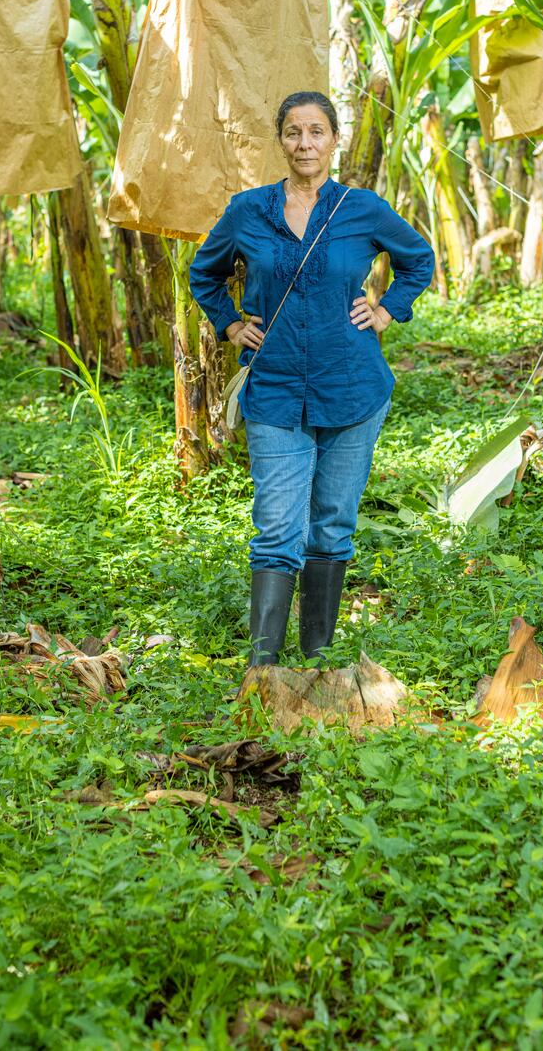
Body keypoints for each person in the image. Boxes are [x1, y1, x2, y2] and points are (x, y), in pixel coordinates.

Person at [190, 90, 434, 668]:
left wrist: (386, 308)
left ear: (333, 139)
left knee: (332, 526)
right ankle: (263, 672)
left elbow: (417, 258)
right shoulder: (248, 210)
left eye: (316, 131)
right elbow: (205, 271)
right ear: (281, 140)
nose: (305, 143)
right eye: (294, 132)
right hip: (273, 387)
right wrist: (228, 325)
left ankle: (318, 661)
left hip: (352, 386)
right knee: (277, 529)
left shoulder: (362, 208)